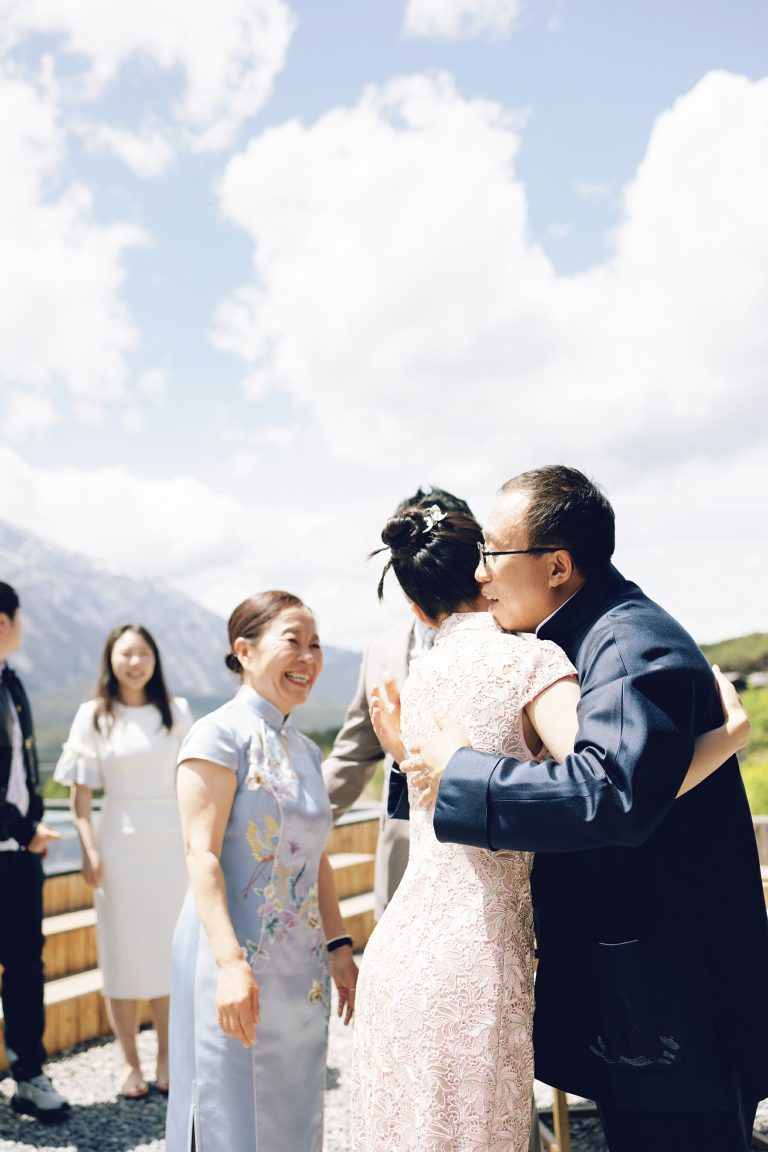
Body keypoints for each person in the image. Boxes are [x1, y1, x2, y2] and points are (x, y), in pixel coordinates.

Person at [351, 504, 746, 1152]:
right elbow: (609, 790)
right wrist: (726, 739)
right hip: (476, 950)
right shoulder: (530, 661)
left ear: (419, 609)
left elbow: (433, 792)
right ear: (482, 574)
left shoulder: (422, 674)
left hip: (400, 945)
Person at [166, 591, 358, 1152]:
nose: (308, 657)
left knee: (293, 1105)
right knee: (228, 1103)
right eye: (292, 641)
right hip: (230, 950)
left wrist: (339, 946)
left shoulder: (307, 751)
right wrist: (230, 964)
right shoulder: (217, 736)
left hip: (301, 967)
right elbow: (200, 854)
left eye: (316, 645)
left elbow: (315, 853)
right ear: (244, 650)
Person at [54, 624, 193, 1098]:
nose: (135, 662)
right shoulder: (93, 715)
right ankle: (128, 1060)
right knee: (121, 954)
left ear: (155, 659)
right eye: (125, 654)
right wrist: (90, 850)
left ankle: (167, 1056)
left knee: (168, 952)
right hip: (117, 847)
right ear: (110, 660)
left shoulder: (177, 712)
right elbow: (80, 800)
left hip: (171, 845)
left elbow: (192, 782)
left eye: (143, 653)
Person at [323, 485, 474, 920]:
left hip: (482, 854)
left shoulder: (514, 638)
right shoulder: (381, 651)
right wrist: (298, 815)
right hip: (404, 856)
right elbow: (353, 752)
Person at [0, 581, 69, 1120]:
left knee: (26, 966)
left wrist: (32, 830)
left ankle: (28, 1076)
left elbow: (24, 768)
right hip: (17, 842)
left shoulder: (12, 680)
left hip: (19, 858)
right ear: (4, 622)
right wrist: (27, 832)